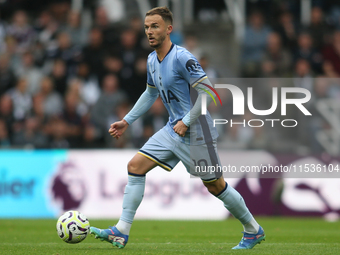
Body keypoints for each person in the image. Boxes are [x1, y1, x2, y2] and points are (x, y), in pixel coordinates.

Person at [89, 6, 265, 250]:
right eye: (147, 27)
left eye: (155, 26)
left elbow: (209, 94)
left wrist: (186, 121)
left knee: (216, 186)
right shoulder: (152, 59)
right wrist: (127, 120)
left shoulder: (183, 57)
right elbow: (150, 94)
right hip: (173, 130)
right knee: (135, 166)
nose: (149, 32)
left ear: (169, 29)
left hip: (197, 132)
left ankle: (253, 229)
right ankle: (121, 230)